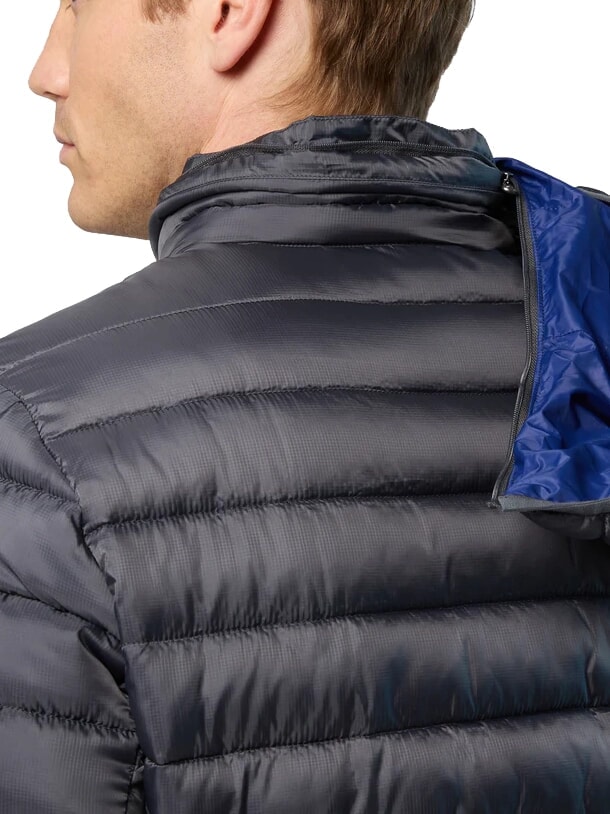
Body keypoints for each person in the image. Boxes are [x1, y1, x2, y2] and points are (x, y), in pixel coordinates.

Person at [1, 0, 610, 811]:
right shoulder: (589, 333)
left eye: (78, 6)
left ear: (232, 12)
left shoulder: (31, 441)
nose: (45, 72)